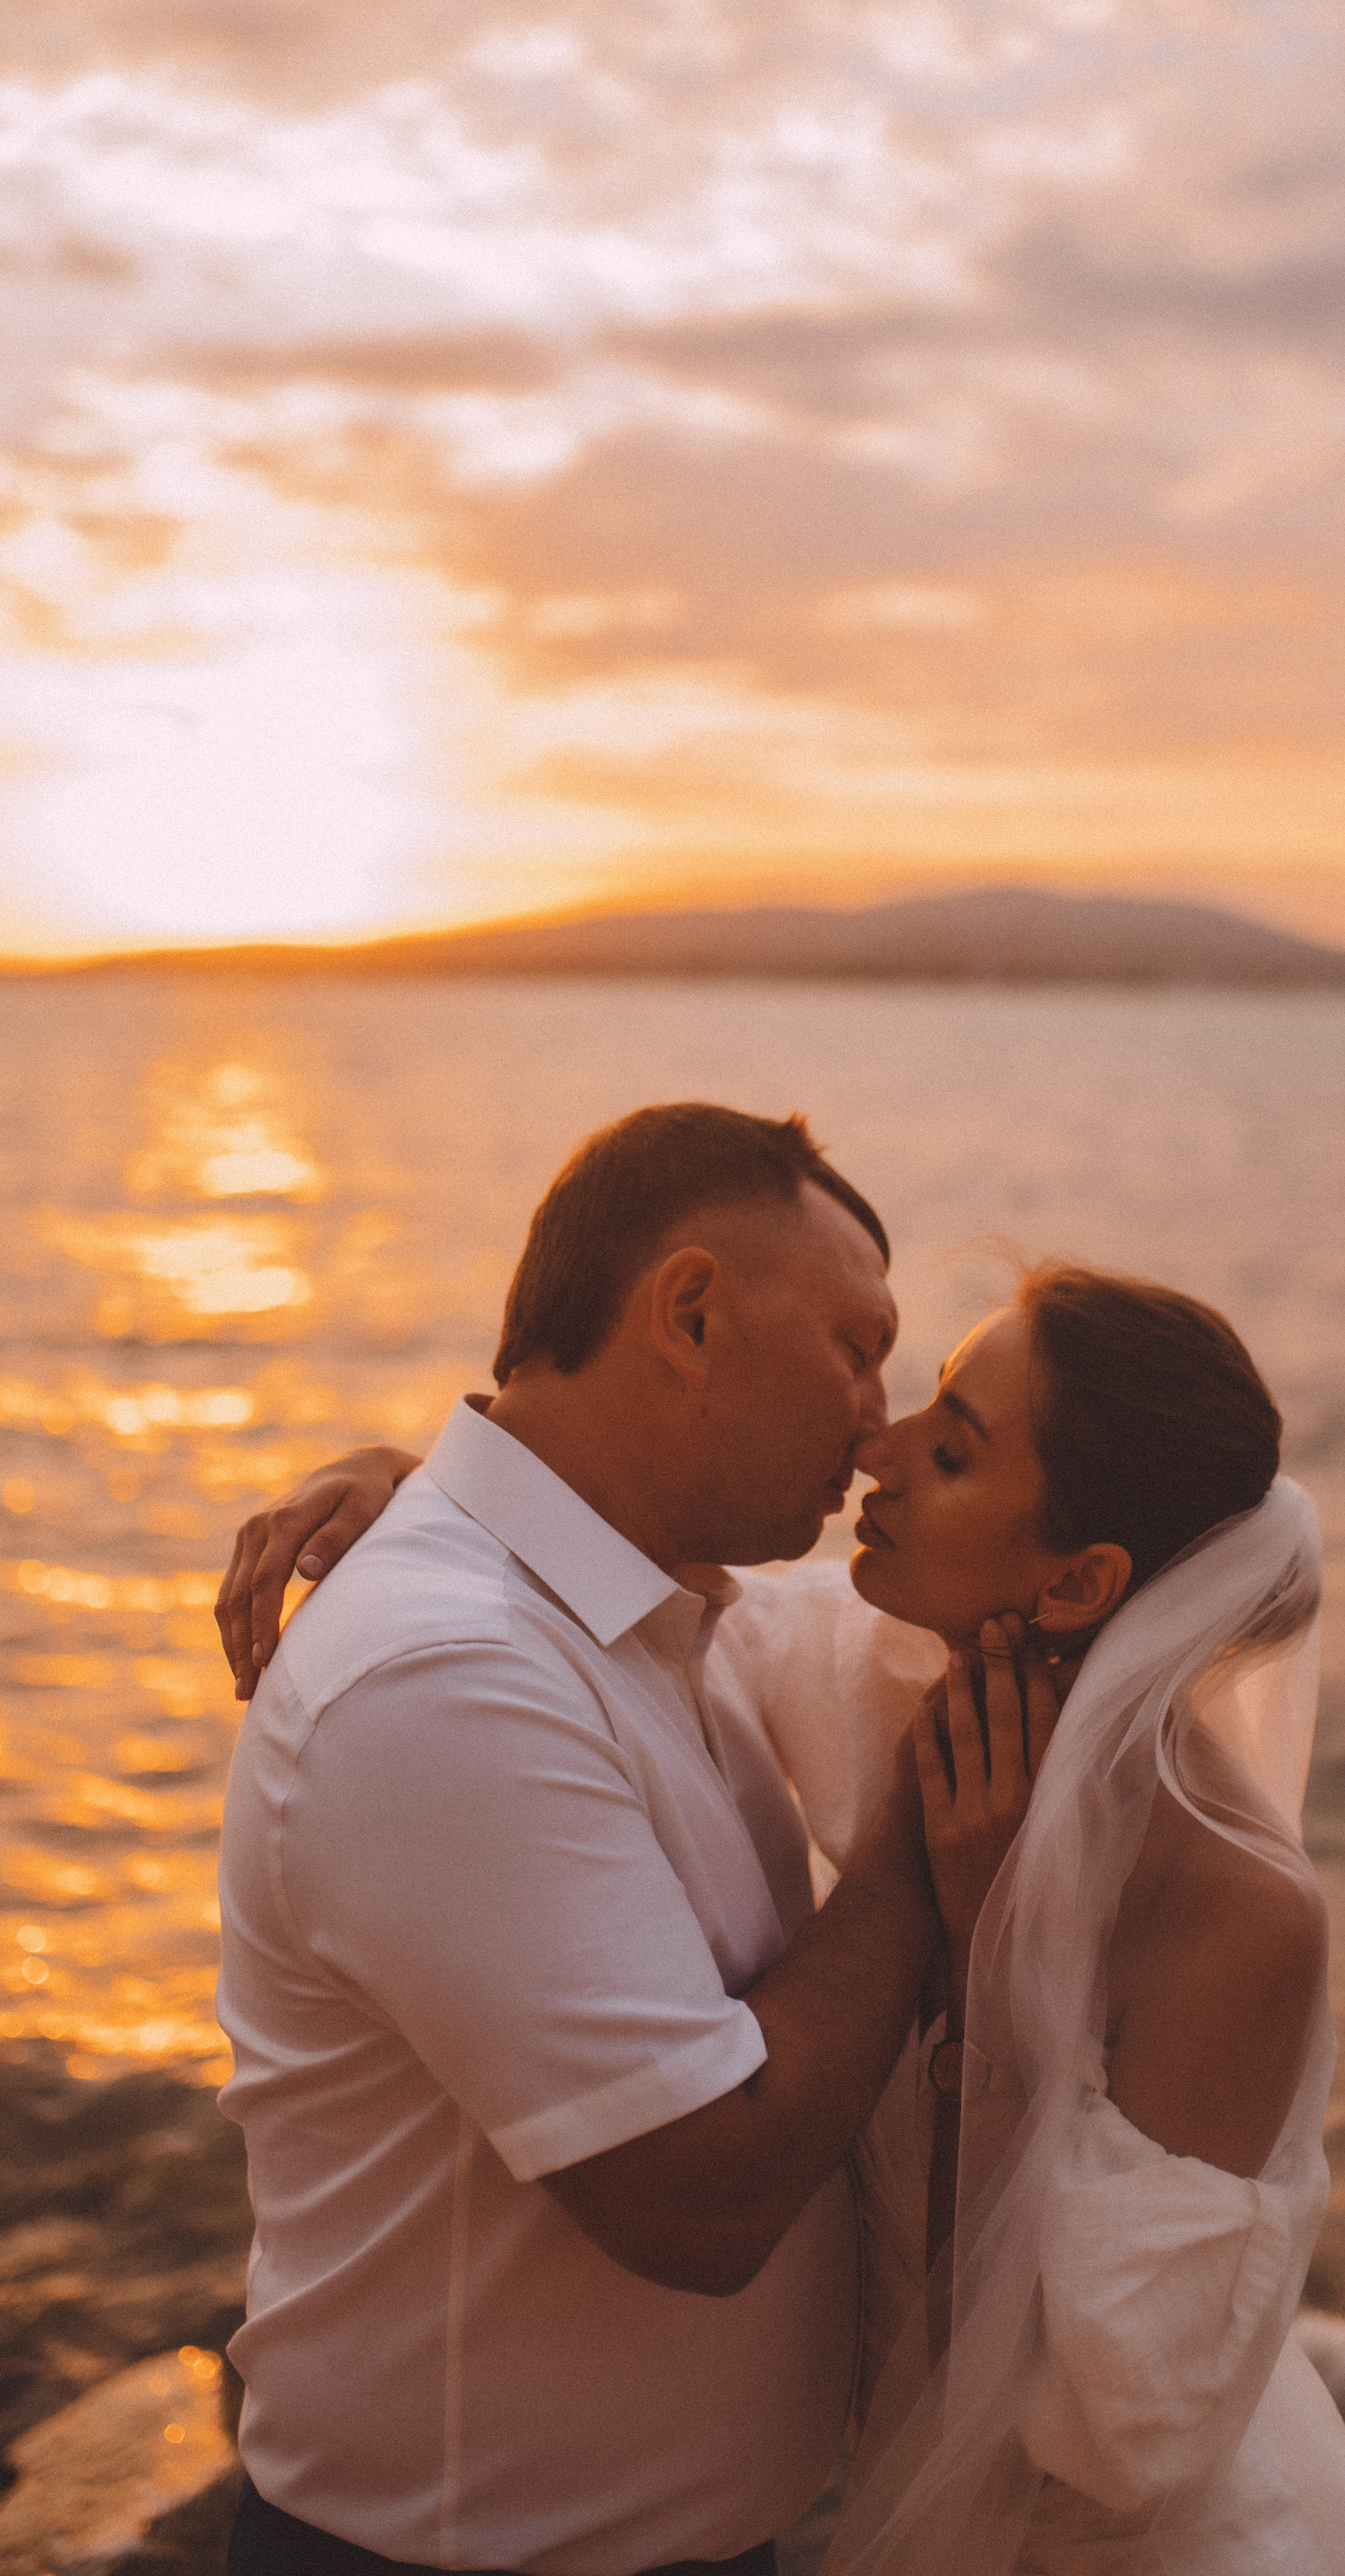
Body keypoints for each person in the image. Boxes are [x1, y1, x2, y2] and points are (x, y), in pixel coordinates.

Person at [225, 1251, 1345, 2573]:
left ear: (1077, 1585)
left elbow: (1114, 2438)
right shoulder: (882, 1676)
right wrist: (418, 1486)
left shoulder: (1236, 1914)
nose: (874, 1449)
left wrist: (980, 1992)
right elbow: (608, 1605)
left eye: (949, 1452)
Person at [216, 1102, 945, 2576]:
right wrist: (925, 1861)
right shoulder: (447, 1677)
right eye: (854, 1349)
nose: (879, 1421)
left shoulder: (669, 1619)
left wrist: (422, 1473)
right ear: (690, 1313)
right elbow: (703, 2193)